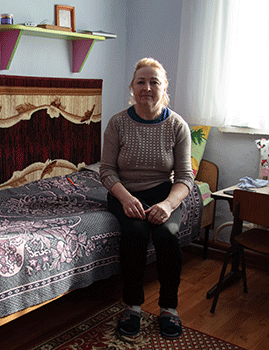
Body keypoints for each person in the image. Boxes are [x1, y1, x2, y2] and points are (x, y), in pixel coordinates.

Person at [99, 57, 193, 340]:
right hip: (123, 192)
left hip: (163, 193)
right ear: (132, 87)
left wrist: (167, 204)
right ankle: (133, 306)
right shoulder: (118, 123)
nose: (147, 87)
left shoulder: (177, 126)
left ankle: (169, 308)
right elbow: (106, 170)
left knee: (167, 236)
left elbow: (186, 178)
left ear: (164, 87)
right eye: (141, 81)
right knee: (135, 235)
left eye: (154, 82)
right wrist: (126, 198)